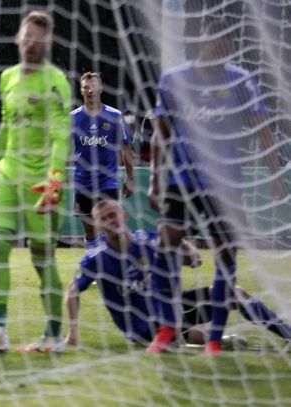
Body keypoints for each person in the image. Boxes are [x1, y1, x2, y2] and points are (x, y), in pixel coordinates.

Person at [147, 20, 284, 354]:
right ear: (203, 38)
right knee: (166, 246)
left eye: (228, 42)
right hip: (184, 179)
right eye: (216, 38)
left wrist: (275, 176)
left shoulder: (240, 80)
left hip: (227, 184)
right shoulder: (174, 79)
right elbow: (161, 133)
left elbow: (261, 128)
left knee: (226, 257)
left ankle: (214, 340)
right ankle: (167, 329)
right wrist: (154, 180)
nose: (221, 45)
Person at [0, 10, 72, 353]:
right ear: (18, 38)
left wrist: (56, 177)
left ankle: (53, 333)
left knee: (43, 260)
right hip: (10, 177)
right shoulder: (8, 78)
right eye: (27, 37)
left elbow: (61, 134)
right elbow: (6, 128)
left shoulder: (56, 81)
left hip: (42, 183)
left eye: (38, 39)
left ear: (48, 44)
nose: (31, 44)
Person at [65, 199, 291, 348]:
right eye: (103, 220)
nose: (110, 221)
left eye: (112, 215)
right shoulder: (97, 259)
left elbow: (187, 254)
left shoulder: (146, 239)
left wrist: (189, 253)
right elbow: (72, 291)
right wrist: (72, 334)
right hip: (142, 325)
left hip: (171, 306)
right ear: (99, 227)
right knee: (183, 335)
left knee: (235, 293)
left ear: (124, 216)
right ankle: (219, 341)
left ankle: (286, 333)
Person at [71, 72, 134, 252]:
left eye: (93, 86)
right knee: (90, 231)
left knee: (112, 229)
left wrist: (130, 178)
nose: (90, 90)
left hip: (108, 181)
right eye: (86, 87)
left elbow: (126, 148)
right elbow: (58, 145)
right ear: (81, 91)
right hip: (83, 182)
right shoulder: (73, 117)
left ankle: (116, 269)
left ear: (101, 89)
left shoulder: (115, 116)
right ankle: (93, 269)